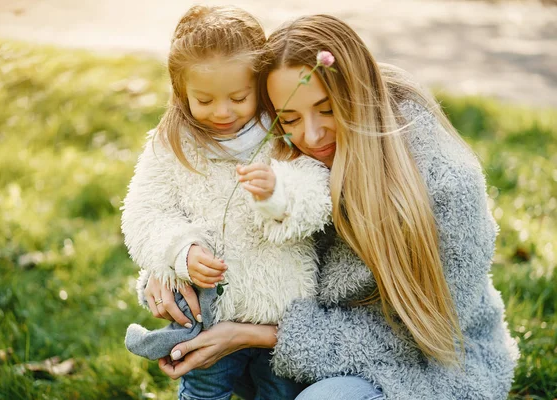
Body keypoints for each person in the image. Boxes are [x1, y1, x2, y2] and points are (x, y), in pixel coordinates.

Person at [139, 14, 519, 400]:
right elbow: (230, 229)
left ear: (357, 94)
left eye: (327, 109)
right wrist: (171, 262)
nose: (312, 135)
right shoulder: (283, 158)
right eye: (289, 117)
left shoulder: (445, 184)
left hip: (429, 365)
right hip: (306, 349)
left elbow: (418, 335)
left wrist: (256, 335)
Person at [121, 6, 332, 400]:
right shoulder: (172, 145)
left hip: (282, 313)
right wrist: (181, 251)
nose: (222, 112)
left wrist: (277, 195)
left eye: (239, 97)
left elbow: (318, 192)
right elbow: (143, 213)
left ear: (260, 87)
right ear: (181, 92)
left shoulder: (281, 134)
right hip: (211, 312)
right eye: (204, 99)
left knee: (281, 394)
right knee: (203, 392)